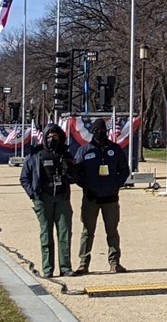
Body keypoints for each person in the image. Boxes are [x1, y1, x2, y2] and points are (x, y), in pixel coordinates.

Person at [75, 119, 130, 274]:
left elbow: (124, 170)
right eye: (97, 130)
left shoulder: (115, 149)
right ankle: (83, 263)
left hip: (110, 198)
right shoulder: (84, 150)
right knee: (87, 232)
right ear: (93, 132)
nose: (100, 133)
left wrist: (115, 185)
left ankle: (114, 262)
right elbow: (77, 173)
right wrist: (87, 187)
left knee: (112, 231)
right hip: (91, 198)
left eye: (103, 130)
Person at [21, 124, 74, 278]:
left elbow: (75, 177)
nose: (52, 138)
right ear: (44, 137)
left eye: (55, 135)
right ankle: (48, 269)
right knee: (46, 234)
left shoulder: (66, 154)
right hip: (43, 198)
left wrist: (69, 170)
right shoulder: (36, 155)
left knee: (64, 233)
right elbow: (24, 178)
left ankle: (65, 267)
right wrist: (33, 195)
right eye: (49, 135)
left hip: (62, 197)